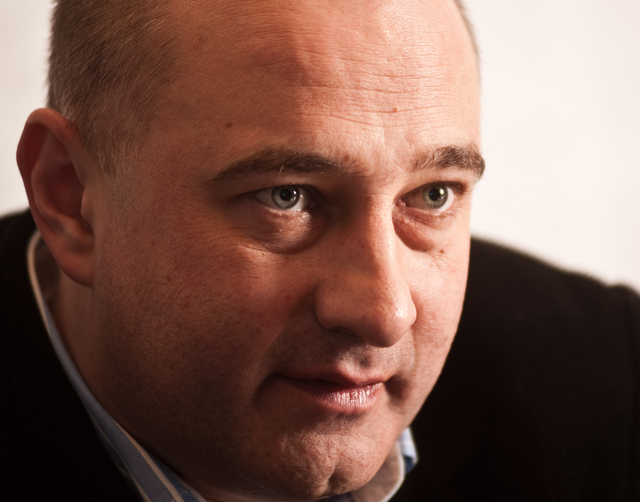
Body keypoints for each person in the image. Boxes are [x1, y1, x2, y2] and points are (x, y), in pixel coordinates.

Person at [1, 1, 638, 501]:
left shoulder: (607, 382)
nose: (385, 314)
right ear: (70, 198)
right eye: (287, 197)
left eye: (433, 194)